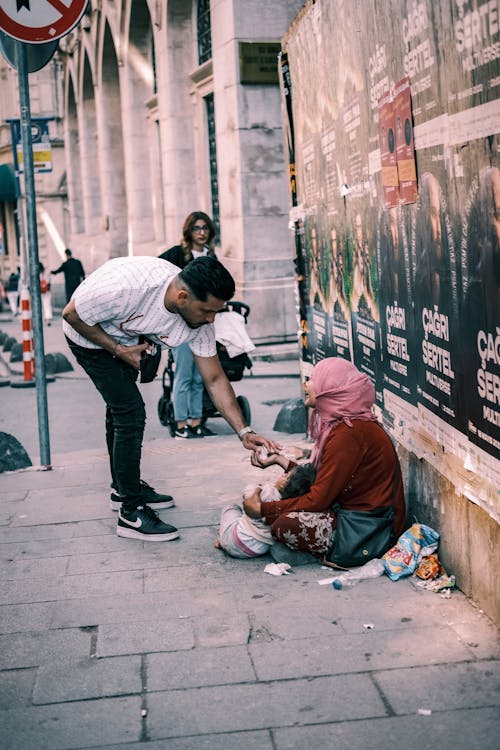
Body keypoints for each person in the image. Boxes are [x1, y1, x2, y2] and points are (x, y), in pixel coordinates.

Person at [62, 254, 279, 542]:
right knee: (130, 411)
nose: (211, 319)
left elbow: (214, 379)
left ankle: (123, 487)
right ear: (182, 297)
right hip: (89, 337)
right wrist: (117, 349)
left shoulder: (199, 321)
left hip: (127, 340)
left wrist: (244, 431)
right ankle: (130, 512)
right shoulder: (124, 288)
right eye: (207, 310)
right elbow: (71, 314)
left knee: (120, 408)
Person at [243, 357, 406, 562]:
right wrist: (279, 460)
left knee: (284, 524)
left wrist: (263, 511)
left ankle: (314, 552)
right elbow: (324, 477)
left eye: (313, 379)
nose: (306, 384)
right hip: (350, 513)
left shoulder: (349, 432)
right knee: (280, 497)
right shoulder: (342, 426)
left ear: (332, 389)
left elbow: (319, 498)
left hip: (366, 528)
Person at [159, 211, 217, 439]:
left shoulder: (211, 256)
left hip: (203, 326)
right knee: (183, 375)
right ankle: (181, 424)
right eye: (197, 228)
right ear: (189, 231)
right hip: (181, 327)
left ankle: (196, 421)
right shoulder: (177, 254)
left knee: (198, 377)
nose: (201, 233)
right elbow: (158, 271)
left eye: (205, 228)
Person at [215, 462, 316, 559]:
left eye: (286, 475)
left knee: (232, 508)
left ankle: (223, 539)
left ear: (284, 483)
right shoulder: (293, 506)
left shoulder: (268, 492)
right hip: (257, 550)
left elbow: (247, 494)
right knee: (242, 519)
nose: (283, 474)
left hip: (236, 541)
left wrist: (257, 487)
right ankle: (225, 535)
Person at [39, 262, 53, 326]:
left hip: (41, 291)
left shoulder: (37, 274)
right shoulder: (47, 273)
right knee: (47, 304)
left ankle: (45, 318)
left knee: (42, 305)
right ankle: (48, 318)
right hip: (47, 291)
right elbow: (49, 282)